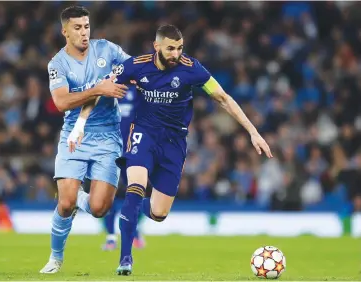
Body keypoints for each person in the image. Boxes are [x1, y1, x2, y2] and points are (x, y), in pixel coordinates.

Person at [69, 24, 273, 276]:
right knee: (136, 186)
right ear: (157, 47)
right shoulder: (136, 65)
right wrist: (79, 124)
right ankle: (125, 258)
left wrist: (253, 131)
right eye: (170, 48)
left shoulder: (191, 69)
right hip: (143, 133)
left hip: (174, 142)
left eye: (179, 48)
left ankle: (127, 213)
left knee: (158, 212)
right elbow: (99, 90)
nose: (176, 53)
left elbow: (223, 97)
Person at [39, 5, 129, 274]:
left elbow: (132, 68)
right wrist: (98, 88)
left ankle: (79, 197)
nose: (84, 32)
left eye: (87, 26)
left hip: (108, 136)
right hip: (74, 137)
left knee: (100, 208)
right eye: (77, 28)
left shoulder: (107, 50)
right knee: (64, 204)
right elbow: (61, 102)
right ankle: (55, 257)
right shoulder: (57, 64)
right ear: (64, 31)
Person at [101, 85, 146, 251]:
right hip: (111, 148)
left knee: (136, 192)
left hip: (133, 148)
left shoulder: (141, 91)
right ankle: (111, 237)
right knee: (106, 194)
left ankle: (134, 231)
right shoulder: (109, 89)